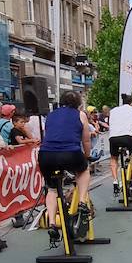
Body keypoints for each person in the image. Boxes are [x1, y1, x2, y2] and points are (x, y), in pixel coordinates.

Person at [38, 91, 94, 234]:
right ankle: (82, 202)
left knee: (51, 189)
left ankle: (52, 223)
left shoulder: (50, 115)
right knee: (83, 171)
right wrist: (87, 156)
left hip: (46, 154)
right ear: (79, 104)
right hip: (70, 152)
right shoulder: (80, 115)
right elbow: (86, 140)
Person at [108, 93, 132, 194]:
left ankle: (115, 181)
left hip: (113, 137)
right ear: (131, 103)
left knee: (114, 157)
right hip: (128, 137)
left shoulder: (113, 110)